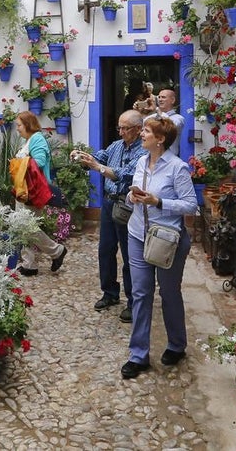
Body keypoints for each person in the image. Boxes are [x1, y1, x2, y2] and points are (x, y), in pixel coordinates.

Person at [120, 116, 199, 379]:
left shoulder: (178, 168)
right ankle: (138, 355)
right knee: (141, 294)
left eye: (146, 131)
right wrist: (133, 197)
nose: (141, 134)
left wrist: (159, 201)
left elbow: (191, 205)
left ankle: (176, 345)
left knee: (169, 293)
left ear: (161, 139)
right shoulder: (141, 162)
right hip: (137, 234)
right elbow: (136, 199)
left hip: (167, 239)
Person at [73, 110, 145, 323]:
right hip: (108, 202)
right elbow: (100, 157)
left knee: (129, 254)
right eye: (120, 128)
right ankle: (110, 293)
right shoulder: (116, 145)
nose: (121, 132)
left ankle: (133, 301)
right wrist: (84, 157)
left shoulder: (143, 152)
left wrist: (99, 168)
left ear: (138, 129)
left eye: (126, 128)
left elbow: (122, 174)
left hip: (127, 204)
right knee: (105, 249)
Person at [14, 111, 69, 276]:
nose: (17, 129)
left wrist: (18, 163)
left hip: (33, 191)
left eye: (19, 125)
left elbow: (39, 162)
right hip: (24, 190)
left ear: (28, 125)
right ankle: (29, 264)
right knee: (25, 227)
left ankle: (57, 251)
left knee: (27, 226)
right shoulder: (30, 140)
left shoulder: (37, 139)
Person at [155, 87, 186, 157]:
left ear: (172, 100)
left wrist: (160, 113)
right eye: (159, 97)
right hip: (153, 159)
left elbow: (169, 126)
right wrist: (143, 113)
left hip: (169, 160)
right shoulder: (154, 116)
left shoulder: (179, 118)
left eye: (163, 97)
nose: (160, 100)